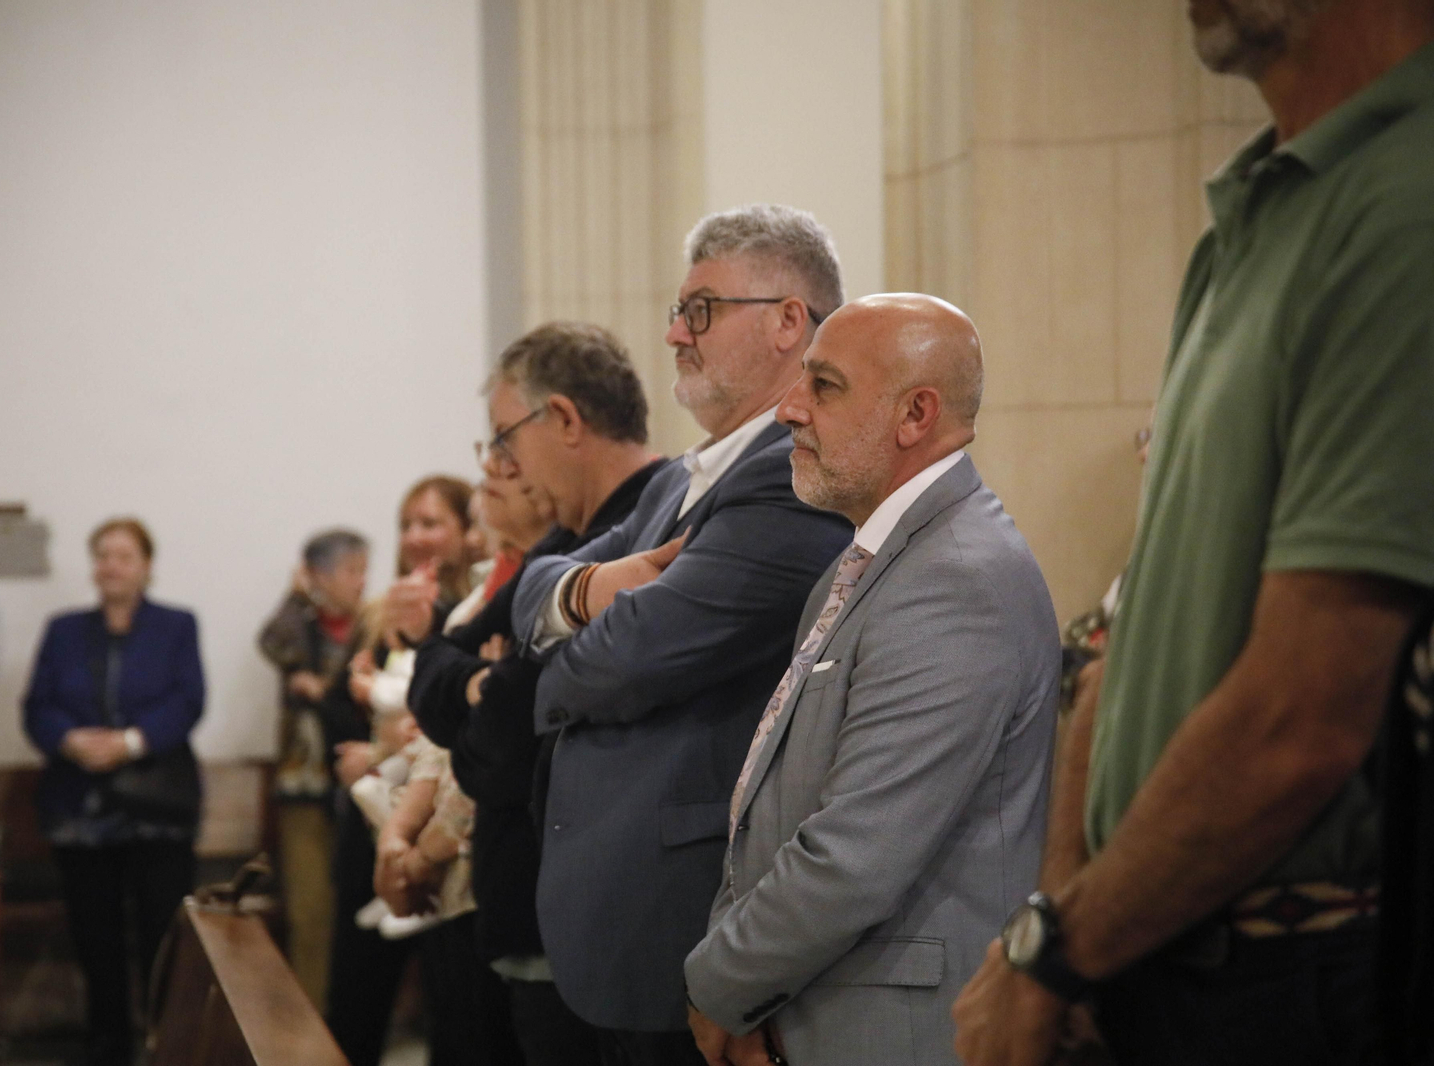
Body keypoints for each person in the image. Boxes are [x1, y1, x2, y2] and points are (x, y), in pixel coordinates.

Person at [952, 4, 1434, 1064]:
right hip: (1161, 950)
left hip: (1305, 972)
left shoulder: (1408, 200)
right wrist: (1063, 910)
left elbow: (1302, 717)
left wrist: (1055, 950)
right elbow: (1132, 629)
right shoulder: (1248, 218)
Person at [510, 205, 854, 1065]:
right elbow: (531, 588)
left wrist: (545, 674)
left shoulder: (788, 475)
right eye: (677, 309)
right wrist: (590, 588)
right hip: (624, 912)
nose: (672, 333)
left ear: (788, 322)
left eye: (701, 309)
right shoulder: (678, 483)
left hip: (689, 917)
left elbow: (630, 661)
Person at [683, 294, 1058, 1065]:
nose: (789, 409)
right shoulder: (868, 565)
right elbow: (773, 803)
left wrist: (716, 984)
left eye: (823, 386)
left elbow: (854, 858)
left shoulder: (955, 580)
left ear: (915, 415)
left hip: (898, 1033)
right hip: (816, 1007)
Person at [409, 322, 665, 1066]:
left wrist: (481, 696)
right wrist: (483, 678)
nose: (502, 465)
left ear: (563, 420)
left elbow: (494, 753)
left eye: (504, 438)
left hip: (599, 934)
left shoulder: (645, 524)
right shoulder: (558, 545)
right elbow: (435, 664)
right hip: (531, 915)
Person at [23, 518, 205, 1066]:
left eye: (124, 556)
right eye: (102, 555)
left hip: (157, 808)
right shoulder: (64, 629)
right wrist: (71, 740)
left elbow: (188, 699)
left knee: (160, 937)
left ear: (146, 566)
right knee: (95, 939)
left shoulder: (176, 625)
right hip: (81, 807)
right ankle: (106, 1045)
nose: (111, 566)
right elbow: (38, 706)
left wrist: (129, 742)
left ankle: (163, 1043)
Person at [327, 476, 476, 1066]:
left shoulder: (473, 612)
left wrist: (401, 739)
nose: (415, 536)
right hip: (371, 829)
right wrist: (371, 744)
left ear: (467, 532)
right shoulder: (377, 611)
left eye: (431, 522)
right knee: (355, 999)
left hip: (448, 829)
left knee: (453, 1009)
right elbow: (338, 703)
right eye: (407, 523)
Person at [257, 528, 372, 1009]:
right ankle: (307, 1027)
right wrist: (296, 592)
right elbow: (271, 644)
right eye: (350, 571)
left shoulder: (374, 622)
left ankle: (346, 1022)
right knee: (310, 913)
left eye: (364, 570)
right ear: (319, 576)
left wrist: (323, 692)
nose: (361, 582)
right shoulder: (298, 626)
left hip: (363, 781)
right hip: (305, 787)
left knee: (357, 912)